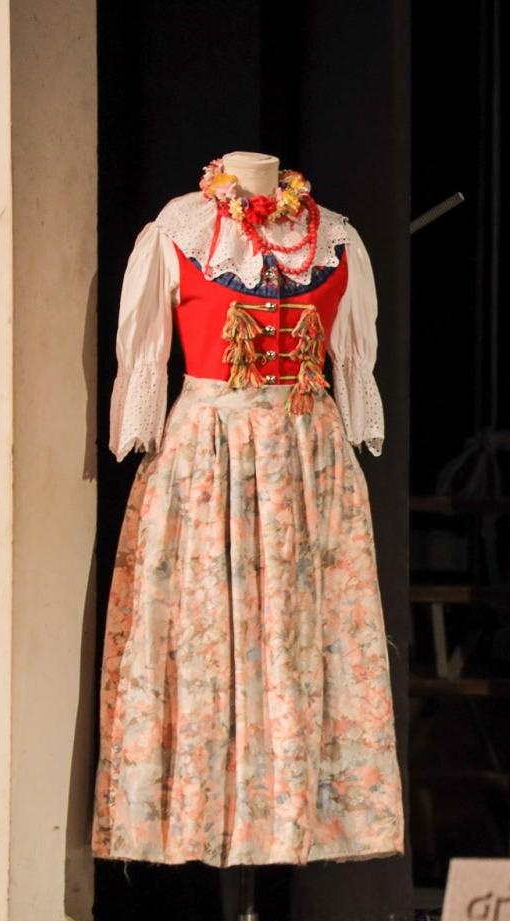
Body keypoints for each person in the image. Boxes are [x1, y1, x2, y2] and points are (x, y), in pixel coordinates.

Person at [96, 152, 402, 867]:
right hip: (213, 455)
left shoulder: (338, 239)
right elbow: (146, 358)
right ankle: (205, 828)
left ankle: (299, 827)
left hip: (308, 458)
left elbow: (355, 366)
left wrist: (352, 423)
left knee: (309, 644)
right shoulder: (178, 230)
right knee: (209, 642)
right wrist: (136, 426)